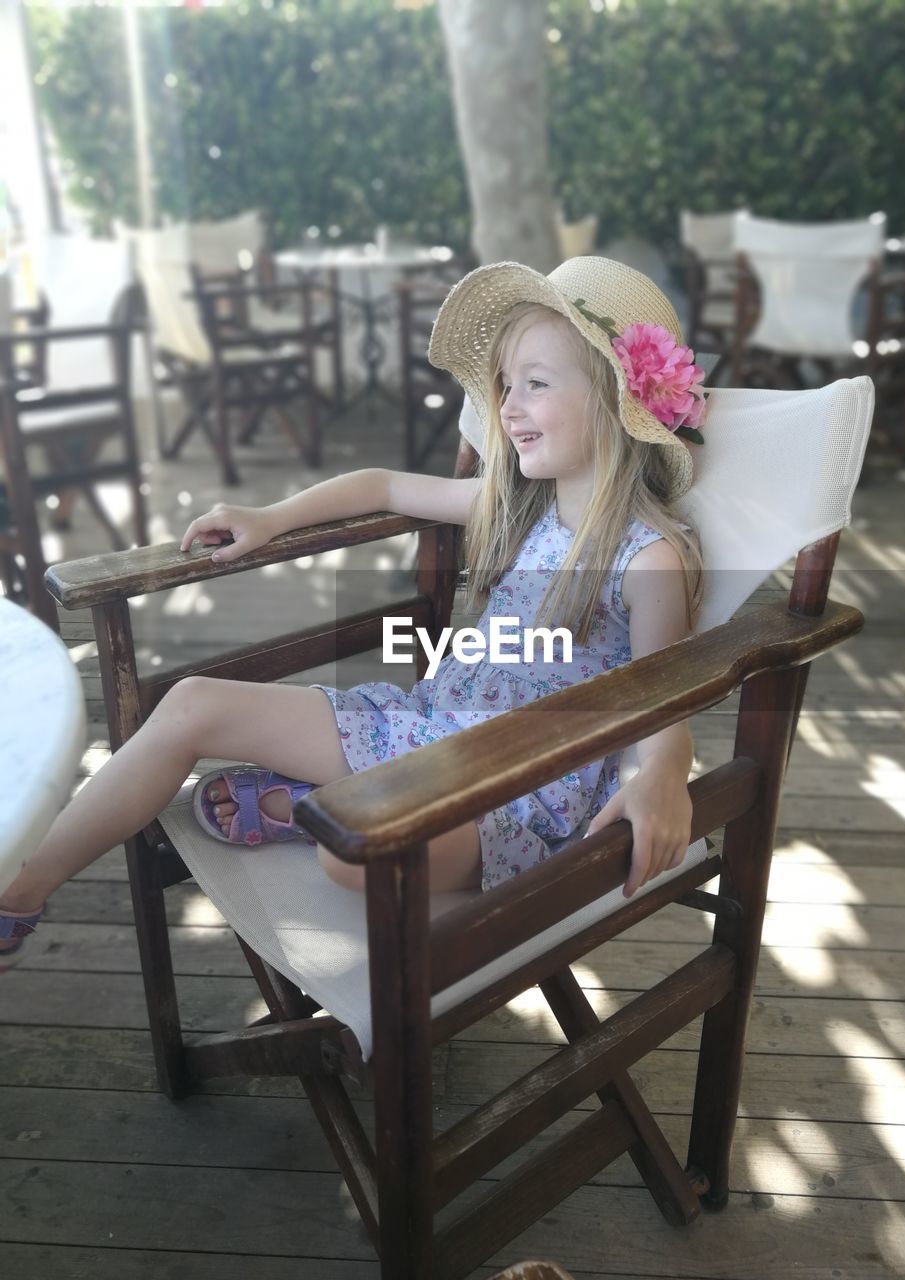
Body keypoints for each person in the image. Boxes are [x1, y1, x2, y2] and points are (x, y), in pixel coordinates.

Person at [0, 255, 706, 964]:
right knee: (189, 704)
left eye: (536, 384)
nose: (508, 406)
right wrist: (271, 516)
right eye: (505, 386)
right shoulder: (522, 506)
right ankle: (20, 889)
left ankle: (314, 810)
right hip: (427, 735)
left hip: (519, 794)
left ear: (616, 399)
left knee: (355, 856)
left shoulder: (648, 558)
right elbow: (382, 485)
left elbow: (662, 700)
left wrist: (660, 779)